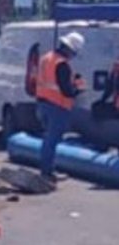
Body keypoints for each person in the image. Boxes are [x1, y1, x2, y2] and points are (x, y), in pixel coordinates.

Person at [35, 32, 86, 183]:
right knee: (52, 140)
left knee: (48, 139)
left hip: (42, 103)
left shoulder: (46, 58)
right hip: (57, 105)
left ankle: (47, 170)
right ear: (71, 49)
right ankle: (47, 173)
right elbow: (66, 91)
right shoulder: (62, 64)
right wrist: (78, 88)